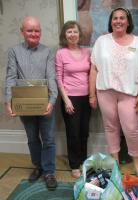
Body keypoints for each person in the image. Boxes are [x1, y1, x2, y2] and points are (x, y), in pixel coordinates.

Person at [89, 7, 138, 178]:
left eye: (122, 18)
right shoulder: (101, 41)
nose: (119, 21)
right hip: (105, 91)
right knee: (111, 127)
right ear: (111, 21)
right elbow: (94, 68)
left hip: (129, 93)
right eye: (115, 18)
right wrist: (91, 94)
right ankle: (115, 162)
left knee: (131, 128)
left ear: (128, 22)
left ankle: (136, 162)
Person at [4, 16, 58, 190]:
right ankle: (38, 166)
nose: (34, 33)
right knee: (32, 138)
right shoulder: (14, 51)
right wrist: (8, 101)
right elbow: (11, 77)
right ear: (22, 31)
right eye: (30, 30)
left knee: (48, 139)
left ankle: (49, 171)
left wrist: (52, 100)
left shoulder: (48, 51)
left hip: (45, 104)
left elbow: (51, 77)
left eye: (37, 30)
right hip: (24, 104)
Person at [55, 21, 91, 178]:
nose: (72, 34)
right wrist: (66, 100)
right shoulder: (61, 53)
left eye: (75, 31)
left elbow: (91, 74)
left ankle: (83, 160)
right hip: (70, 98)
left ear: (79, 34)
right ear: (65, 35)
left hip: (86, 98)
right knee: (73, 133)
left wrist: (92, 95)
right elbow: (58, 78)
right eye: (69, 32)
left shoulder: (87, 52)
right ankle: (74, 164)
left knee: (84, 132)